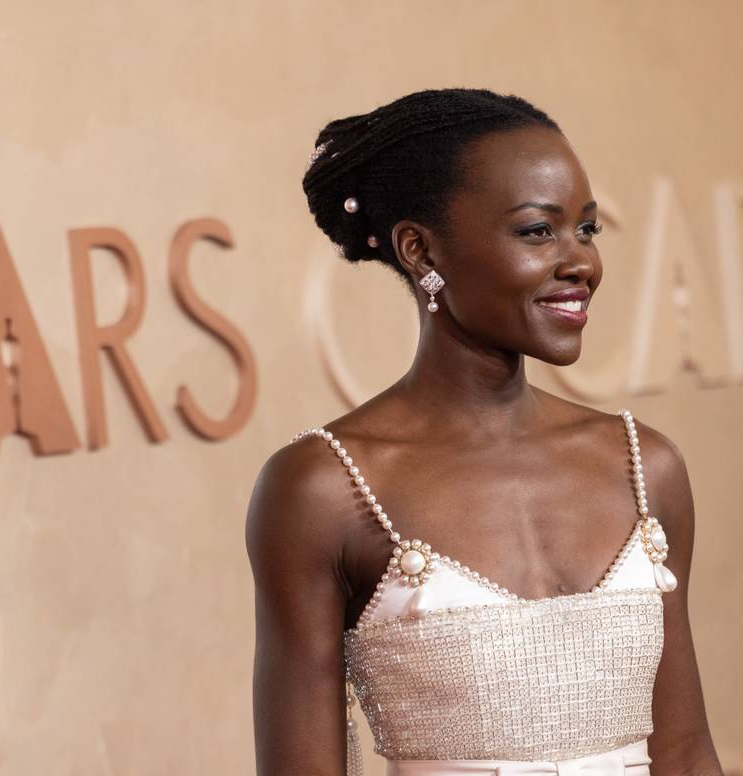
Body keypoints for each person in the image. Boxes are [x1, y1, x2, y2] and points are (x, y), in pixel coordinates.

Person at [245, 88, 723, 776]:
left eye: (586, 229)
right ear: (419, 249)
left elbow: (684, 752)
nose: (581, 263)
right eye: (537, 231)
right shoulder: (321, 487)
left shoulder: (645, 465)